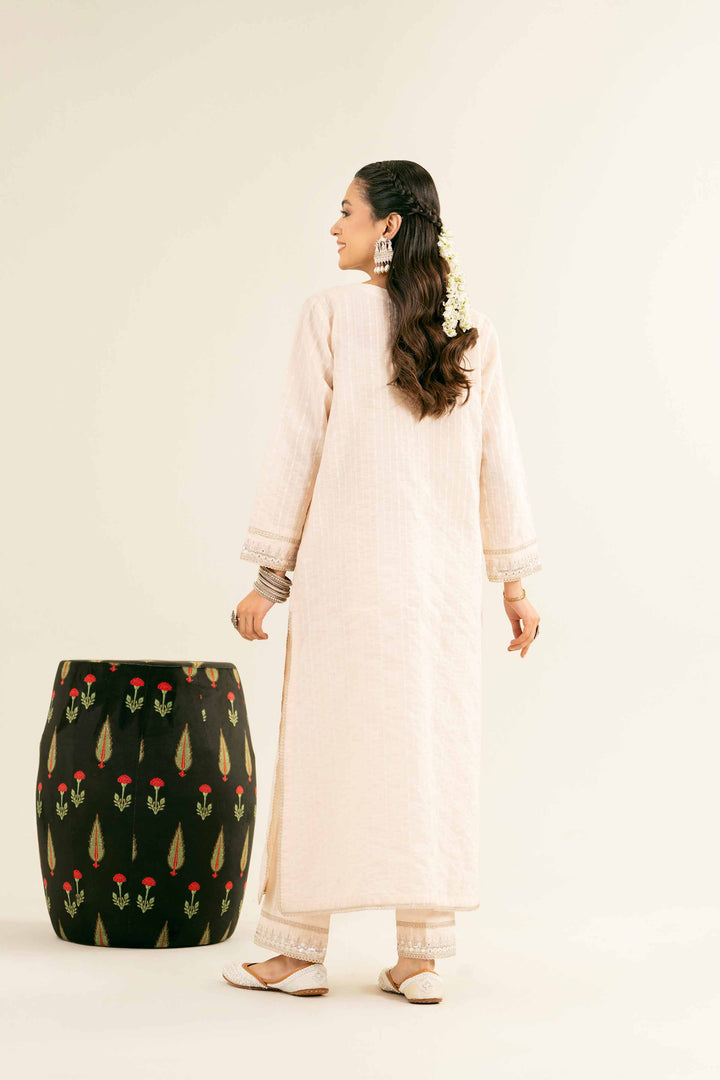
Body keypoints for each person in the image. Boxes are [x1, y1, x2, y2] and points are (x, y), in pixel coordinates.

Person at [223, 160, 542, 1003]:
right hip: (440, 594)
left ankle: (296, 953)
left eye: (347, 211)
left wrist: (270, 580)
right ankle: (421, 958)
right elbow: (499, 461)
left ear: (388, 226)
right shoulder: (471, 330)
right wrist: (512, 586)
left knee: (323, 751)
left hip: (348, 584)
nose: (335, 228)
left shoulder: (330, 315)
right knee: (428, 751)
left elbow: (298, 445)